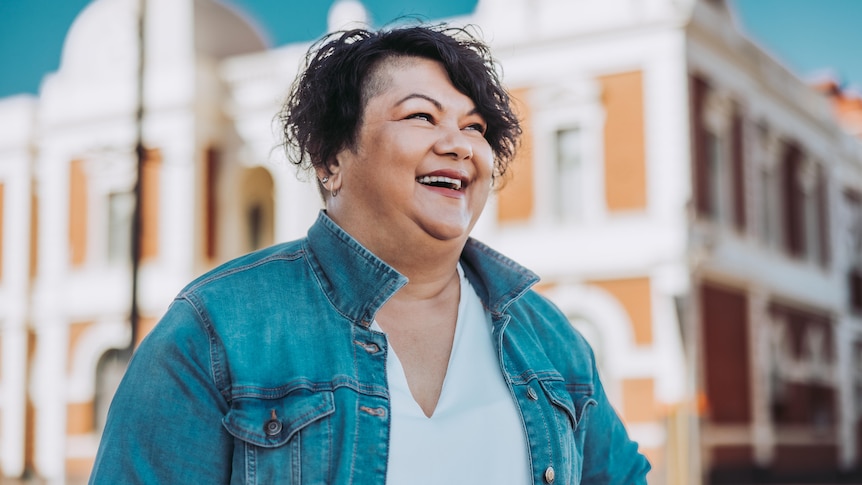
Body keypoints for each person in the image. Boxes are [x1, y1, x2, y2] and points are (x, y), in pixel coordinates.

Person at [90, 24, 650, 484]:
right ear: (331, 159)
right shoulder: (217, 329)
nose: (457, 144)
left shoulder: (549, 337)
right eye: (421, 117)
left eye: (474, 127)